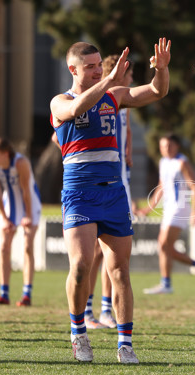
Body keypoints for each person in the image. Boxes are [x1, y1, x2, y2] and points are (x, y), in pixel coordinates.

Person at [50, 38, 171, 364]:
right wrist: (108, 79)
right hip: (79, 194)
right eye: (90, 67)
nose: (96, 70)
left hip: (114, 193)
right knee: (81, 266)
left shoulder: (113, 97)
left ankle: (125, 343)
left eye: (98, 65)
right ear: (73, 69)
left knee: (120, 271)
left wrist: (162, 70)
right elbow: (76, 110)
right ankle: (78, 334)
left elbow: (157, 92)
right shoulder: (59, 101)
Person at [83, 54, 135, 330]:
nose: (129, 79)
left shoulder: (121, 103)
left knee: (113, 256)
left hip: (118, 181)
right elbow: (59, 137)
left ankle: (105, 309)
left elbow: (124, 138)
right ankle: (89, 311)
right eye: (127, 73)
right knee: (94, 251)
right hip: (94, 184)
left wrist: (126, 152)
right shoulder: (98, 100)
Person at [138, 134, 195, 294]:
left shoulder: (182, 162)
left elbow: (194, 187)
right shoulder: (163, 162)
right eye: (163, 146)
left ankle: (168, 283)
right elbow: (161, 187)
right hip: (168, 208)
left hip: (180, 208)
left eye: (169, 145)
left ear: (177, 146)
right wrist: (149, 208)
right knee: (165, 247)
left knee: (164, 244)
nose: (166, 149)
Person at [0, 138, 41, 307]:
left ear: (5, 153)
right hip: (9, 204)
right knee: (3, 247)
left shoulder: (21, 162)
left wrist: (28, 215)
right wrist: (4, 217)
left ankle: (26, 294)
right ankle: (4, 294)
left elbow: (25, 190)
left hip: (30, 203)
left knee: (27, 246)